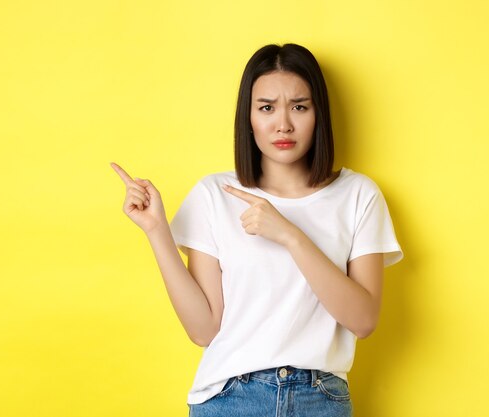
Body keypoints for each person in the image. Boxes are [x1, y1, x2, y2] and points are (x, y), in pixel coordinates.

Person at [111, 43, 402, 417]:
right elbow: (204, 330)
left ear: (319, 114)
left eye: (299, 106)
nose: (283, 124)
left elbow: (363, 320)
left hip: (320, 400)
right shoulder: (213, 194)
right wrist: (156, 231)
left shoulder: (358, 195)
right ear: (248, 117)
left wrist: (289, 235)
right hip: (231, 398)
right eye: (267, 107)